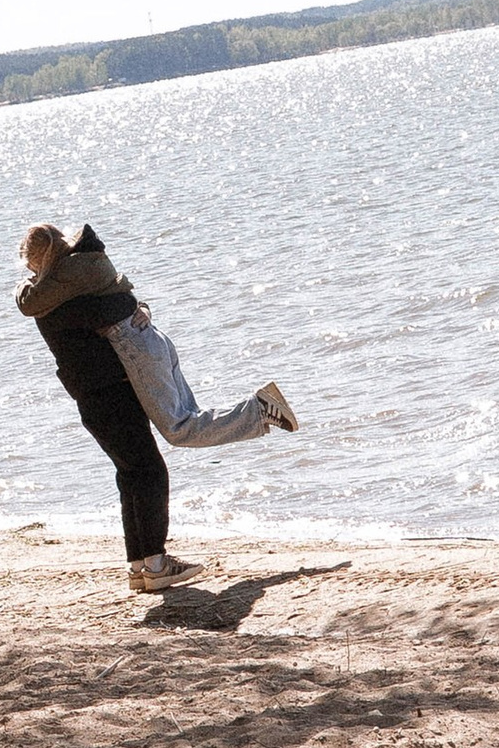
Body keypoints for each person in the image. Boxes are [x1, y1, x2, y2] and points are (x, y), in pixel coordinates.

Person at [15, 220, 298, 594]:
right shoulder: (59, 299)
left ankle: (148, 564)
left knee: (142, 469)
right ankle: (147, 565)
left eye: (31, 267)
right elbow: (121, 304)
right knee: (143, 468)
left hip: (107, 392)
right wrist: (137, 305)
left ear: (39, 262)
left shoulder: (56, 300)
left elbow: (118, 306)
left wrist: (136, 306)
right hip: (107, 391)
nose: (31, 275)